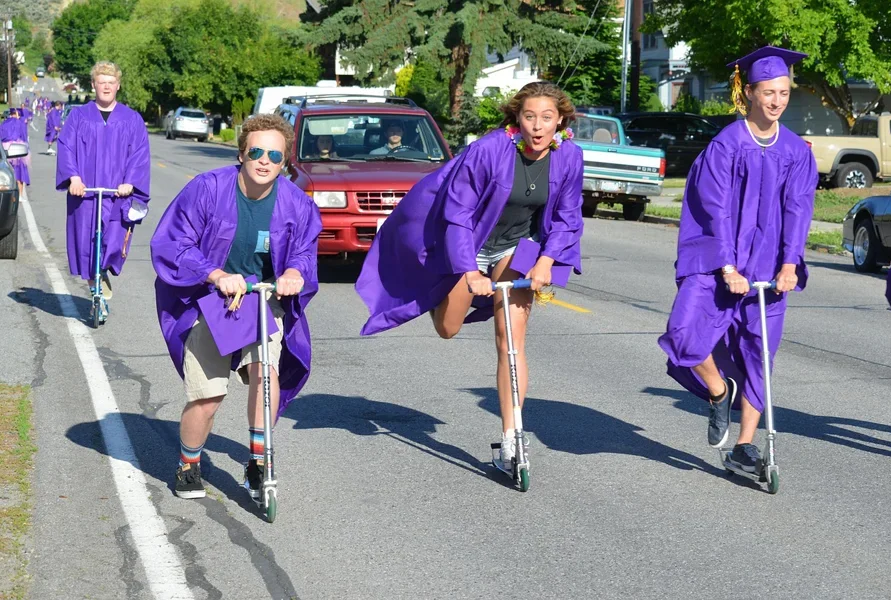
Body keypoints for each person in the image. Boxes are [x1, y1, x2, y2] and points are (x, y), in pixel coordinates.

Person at [355, 81, 584, 471]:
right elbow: (458, 214)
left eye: (547, 117)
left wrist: (547, 260)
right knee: (448, 328)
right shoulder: (489, 150)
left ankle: (512, 437)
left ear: (561, 119)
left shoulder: (570, 156)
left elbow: (567, 216)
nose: (538, 126)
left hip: (517, 245)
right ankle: (434, 290)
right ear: (517, 118)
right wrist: (467, 270)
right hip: (469, 243)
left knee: (510, 337)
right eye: (530, 116)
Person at [657, 46, 818, 472]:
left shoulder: (797, 151)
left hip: (768, 270)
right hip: (718, 267)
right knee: (683, 335)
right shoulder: (726, 145)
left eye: (783, 92)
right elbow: (715, 209)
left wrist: (790, 264)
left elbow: (798, 209)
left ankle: (746, 445)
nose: (777, 100)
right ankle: (715, 391)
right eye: (768, 91)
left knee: (759, 355)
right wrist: (726, 266)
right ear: (748, 92)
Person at [150, 114, 322, 500]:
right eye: (257, 152)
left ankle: (260, 461)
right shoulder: (207, 189)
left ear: (285, 162)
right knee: (208, 397)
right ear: (242, 153)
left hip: (261, 299)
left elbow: (304, 253)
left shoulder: (296, 203)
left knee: (266, 375)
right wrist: (213, 274)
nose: (264, 161)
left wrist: (295, 271)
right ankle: (188, 464)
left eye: (274, 156)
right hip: (209, 301)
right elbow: (173, 243)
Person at [56, 61, 151, 324]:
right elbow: (66, 147)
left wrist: (131, 182)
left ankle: (103, 275)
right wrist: (73, 177)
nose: (106, 86)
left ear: (118, 85)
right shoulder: (78, 116)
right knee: (86, 246)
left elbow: (140, 154)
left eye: (111, 82)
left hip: (117, 195)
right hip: (84, 195)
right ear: (93, 85)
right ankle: (96, 292)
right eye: (102, 81)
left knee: (111, 245)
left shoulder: (132, 119)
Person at [0, 108, 30, 196]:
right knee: (20, 172)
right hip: (17, 147)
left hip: (5, 148)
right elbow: (24, 137)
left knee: (6, 171)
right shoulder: (20, 123)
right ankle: (20, 195)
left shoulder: (4, 123)